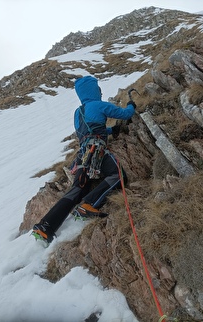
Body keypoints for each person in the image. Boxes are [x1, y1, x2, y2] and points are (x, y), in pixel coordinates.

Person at [32, 76, 136, 244]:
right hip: (97, 151)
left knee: (78, 189)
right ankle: (88, 205)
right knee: (117, 175)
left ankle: (45, 227)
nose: (100, 91)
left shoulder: (78, 112)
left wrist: (110, 131)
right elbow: (124, 114)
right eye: (97, 88)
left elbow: (89, 129)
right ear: (93, 90)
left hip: (83, 155)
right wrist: (131, 106)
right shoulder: (99, 105)